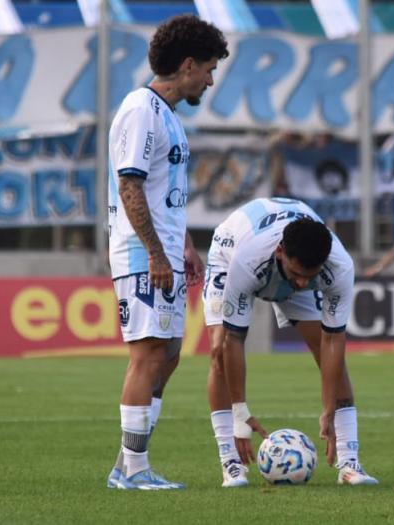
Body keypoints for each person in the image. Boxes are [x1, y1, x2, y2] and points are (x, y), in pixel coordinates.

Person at [105, 15, 228, 491]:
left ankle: (126, 464)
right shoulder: (141, 110)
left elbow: (161, 193)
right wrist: (156, 254)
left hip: (165, 253)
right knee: (149, 354)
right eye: (209, 69)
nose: (211, 80)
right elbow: (129, 186)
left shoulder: (168, 117)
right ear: (188, 64)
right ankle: (134, 471)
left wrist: (183, 247)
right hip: (142, 255)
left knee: (170, 353)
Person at [203, 197, 379, 487]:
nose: (299, 284)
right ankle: (231, 463)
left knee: (329, 358)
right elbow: (233, 340)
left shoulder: (339, 267)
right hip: (229, 250)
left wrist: (328, 410)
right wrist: (240, 414)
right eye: (297, 275)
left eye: (308, 277)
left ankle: (349, 463)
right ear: (281, 251)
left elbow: (333, 341)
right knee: (218, 352)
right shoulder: (247, 260)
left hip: (293, 257)